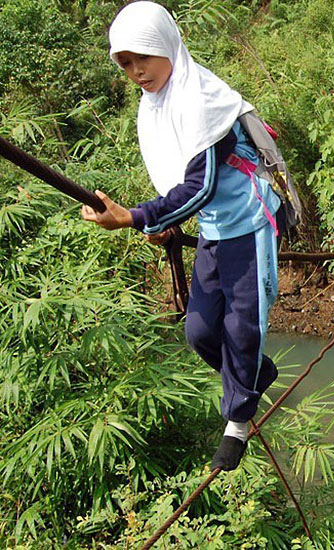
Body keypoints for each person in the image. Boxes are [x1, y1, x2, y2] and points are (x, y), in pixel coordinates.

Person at [81, 1, 282, 471]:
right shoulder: (157, 102)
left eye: (142, 58)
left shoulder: (200, 98)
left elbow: (201, 183)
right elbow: (178, 179)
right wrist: (161, 219)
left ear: (166, 47)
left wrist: (135, 217)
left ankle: (238, 420)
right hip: (214, 226)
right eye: (125, 63)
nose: (136, 71)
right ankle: (253, 376)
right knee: (199, 331)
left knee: (241, 328)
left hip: (247, 223)